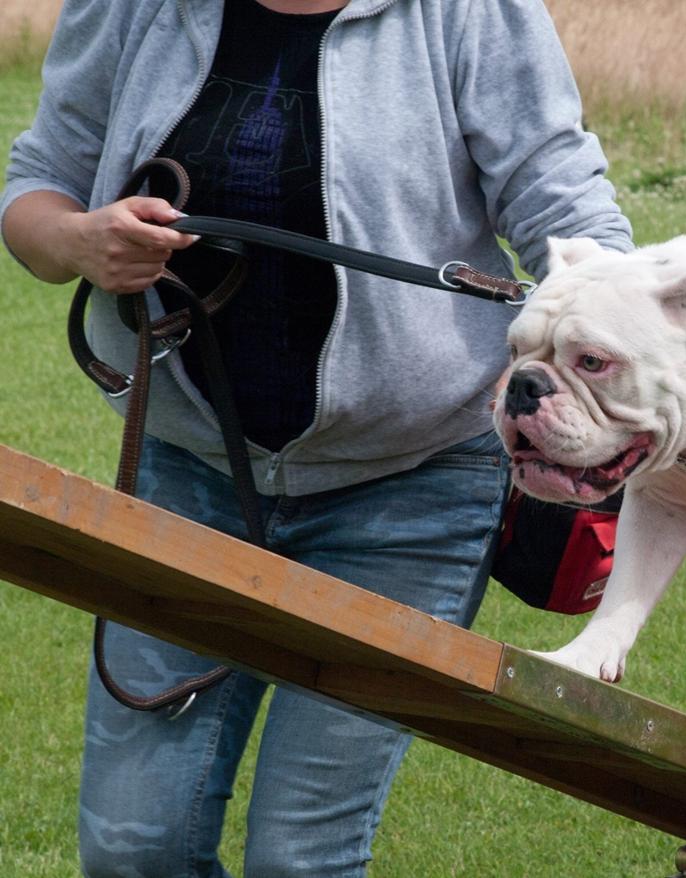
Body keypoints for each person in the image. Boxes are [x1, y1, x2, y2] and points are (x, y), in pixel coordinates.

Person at [0, 0, 633, 875]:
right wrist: (78, 239)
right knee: (133, 846)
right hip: (188, 475)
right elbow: (37, 185)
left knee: (301, 857)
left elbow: (563, 201)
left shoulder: (470, 12)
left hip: (412, 492)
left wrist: (603, 347)